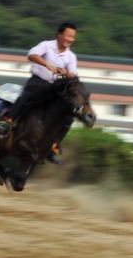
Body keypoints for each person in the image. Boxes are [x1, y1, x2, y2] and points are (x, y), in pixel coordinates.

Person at [7, 22, 79, 163]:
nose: (70, 39)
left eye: (73, 37)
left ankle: (53, 146)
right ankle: (7, 122)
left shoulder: (71, 56)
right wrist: (47, 64)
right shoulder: (46, 45)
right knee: (26, 97)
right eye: (68, 35)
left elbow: (73, 74)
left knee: (68, 116)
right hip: (38, 82)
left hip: (53, 88)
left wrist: (65, 72)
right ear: (60, 34)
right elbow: (31, 55)